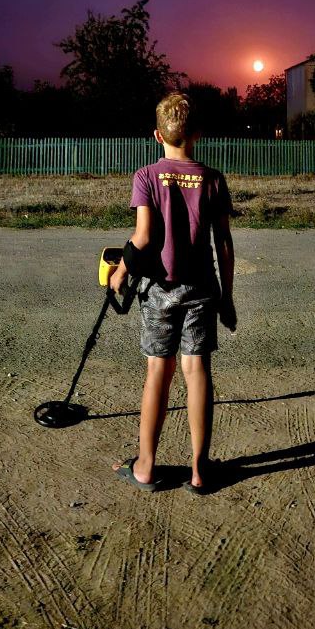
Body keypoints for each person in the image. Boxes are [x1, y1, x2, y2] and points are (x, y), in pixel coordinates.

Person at [110, 92, 236, 495]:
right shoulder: (213, 179)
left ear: (157, 135)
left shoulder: (147, 176)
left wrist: (121, 271)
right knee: (196, 372)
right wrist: (227, 296)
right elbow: (224, 244)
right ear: (197, 134)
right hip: (201, 289)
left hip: (159, 291)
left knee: (157, 372)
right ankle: (199, 470)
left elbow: (143, 238)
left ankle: (145, 467)